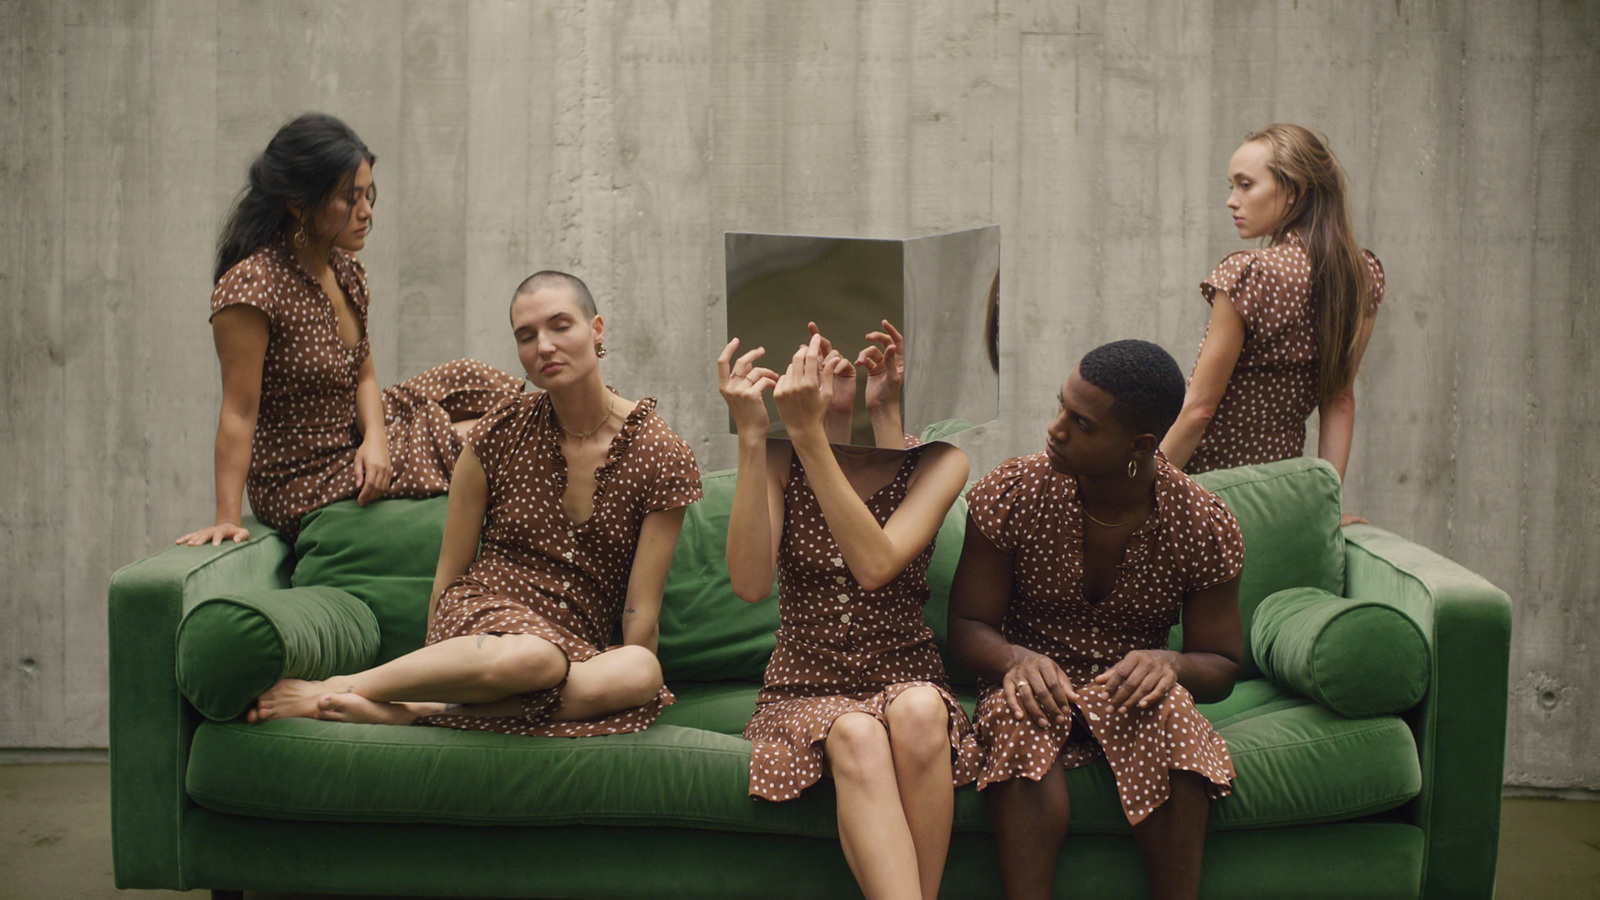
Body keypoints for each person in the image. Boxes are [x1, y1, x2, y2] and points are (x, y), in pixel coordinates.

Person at [249, 271, 702, 738]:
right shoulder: (497, 433)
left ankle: (415, 710)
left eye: (560, 325)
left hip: (574, 648)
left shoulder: (660, 452)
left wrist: (630, 682)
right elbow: (450, 573)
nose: (544, 346)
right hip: (483, 617)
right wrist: (442, 655)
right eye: (526, 337)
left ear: (597, 329)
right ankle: (346, 687)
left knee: (641, 671)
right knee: (533, 657)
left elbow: (639, 613)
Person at [949, 340, 1244, 900]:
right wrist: (1013, 658)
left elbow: (1223, 662)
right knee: (1018, 718)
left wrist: (1172, 663)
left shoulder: (1201, 523)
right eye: (1061, 406)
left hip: (1131, 693)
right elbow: (966, 624)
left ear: (1139, 445)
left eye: (1081, 424)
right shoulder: (1015, 491)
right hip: (1033, 683)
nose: (1055, 428)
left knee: (1175, 713)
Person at [718, 323, 981, 900]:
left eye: (852, 352)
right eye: (818, 351)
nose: (837, 363)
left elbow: (876, 564)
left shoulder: (940, 464)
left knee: (916, 711)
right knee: (858, 733)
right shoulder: (782, 457)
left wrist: (872, 416)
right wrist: (753, 435)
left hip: (907, 674)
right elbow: (750, 583)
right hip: (803, 687)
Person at [177, 112, 520, 547]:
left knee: (470, 378)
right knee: (474, 435)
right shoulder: (252, 288)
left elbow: (365, 375)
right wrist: (227, 517)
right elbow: (239, 413)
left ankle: (602, 426)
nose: (366, 211)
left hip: (354, 431)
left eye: (367, 195)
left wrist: (375, 438)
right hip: (305, 472)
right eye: (349, 199)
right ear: (299, 204)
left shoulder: (344, 269)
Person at [1160, 124, 1386, 503]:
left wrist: (1136, 496)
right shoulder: (1361, 275)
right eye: (1232, 186)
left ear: (1295, 191)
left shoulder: (1252, 274)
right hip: (1279, 498)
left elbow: (1199, 410)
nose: (1232, 200)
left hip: (1207, 490)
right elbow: (1339, 400)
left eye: (1246, 185)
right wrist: (1326, 511)